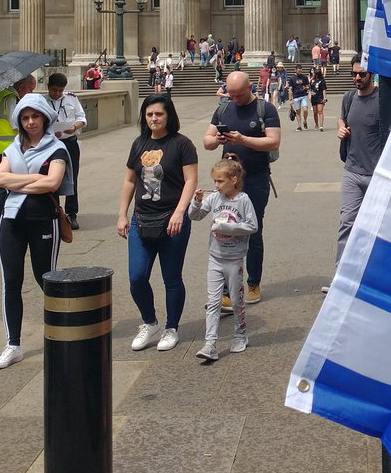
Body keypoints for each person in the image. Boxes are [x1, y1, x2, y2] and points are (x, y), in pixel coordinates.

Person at [0, 92, 72, 368]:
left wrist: (19, 182)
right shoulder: (11, 148)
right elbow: (0, 178)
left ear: (44, 118)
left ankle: (64, 332)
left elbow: (52, 183)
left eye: (35, 116)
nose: (30, 122)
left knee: (45, 277)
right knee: (10, 281)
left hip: (42, 221)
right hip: (10, 221)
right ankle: (13, 344)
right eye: (25, 117)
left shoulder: (57, 149)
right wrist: (35, 177)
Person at [118, 93, 198, 352]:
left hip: (172, 220)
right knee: (137, 277)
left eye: (159, 114)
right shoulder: (138, 144)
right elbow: (130, 181)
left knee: (171, 278)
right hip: (142, 219)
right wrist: (122, 214)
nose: (154, 118)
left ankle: (171, 327)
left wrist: (180, 212)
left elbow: (190, 181)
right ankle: (149, 321)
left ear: (169, 116)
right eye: (150, 114)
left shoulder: (182, 144)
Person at [203, 70, 280, 305]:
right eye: (231, 94)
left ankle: (253, 283)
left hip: (255, 179)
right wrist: (219, 140)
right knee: (226, 232)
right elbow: (206, 141)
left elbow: (273, 141)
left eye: (239, 94)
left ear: (250, 88)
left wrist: (243, 139)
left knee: (253, 232)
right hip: (228, 182)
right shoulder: (224, 109)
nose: (234, 98)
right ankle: (227, 290)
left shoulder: (265, 109)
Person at [189, 155, 258, 362]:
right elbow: (196, 216)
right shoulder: (214, 198)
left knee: (236, 300)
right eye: (215, 181)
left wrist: (228, 227)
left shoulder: (243, 200)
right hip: (215, 257)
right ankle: (210, 343)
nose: (216, 185)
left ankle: (240, 334)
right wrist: (196, 202)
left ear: (234, 180)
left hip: (234, 259)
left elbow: (252, 226)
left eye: (220, 181)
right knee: (213, 302)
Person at [323, 60, 383, 293]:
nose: (357, 78)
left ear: (372, 75)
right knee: (346, 223)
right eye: (354, 74)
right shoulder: (349, 97)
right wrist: (340, 127)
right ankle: (341, 276)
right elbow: (343, 117)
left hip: (378, 174)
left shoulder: (384, 100)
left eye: (362, 74)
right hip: (352, 170)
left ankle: (373, 277)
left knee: (376, 228)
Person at [0, 73, 37, 229]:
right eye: (30, 90)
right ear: (21, 87)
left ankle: (4, 218)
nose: (30, 94)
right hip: (9, 145)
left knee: (6, 184)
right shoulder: (11, 98)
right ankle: (3, 220)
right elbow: (14, 123)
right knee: (7, 185)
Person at [47, 72, 86, 230]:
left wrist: (74, 127)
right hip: (51, 143)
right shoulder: (42, 101)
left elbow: (82, 118)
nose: (57, 93)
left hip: (69, 142)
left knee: (72, 178)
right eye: (54, 90)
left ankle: (72, 214)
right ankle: (55, 211)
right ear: (48, 88)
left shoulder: (71, 98)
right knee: (51, 179)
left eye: (60, 90)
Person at [289, 63, 310, 131]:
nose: (300, 72)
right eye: (298, 71)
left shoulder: (304, 77)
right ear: (295, 70)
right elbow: (290, 89)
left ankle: (305, 121)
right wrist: (290, 99)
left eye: (301, 71)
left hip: (303, 95)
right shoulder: (292, 78)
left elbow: (308, 86)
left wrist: (305, 87)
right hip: (296, 96)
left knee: (305, 109)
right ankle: (299, 125)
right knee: (298, 112)